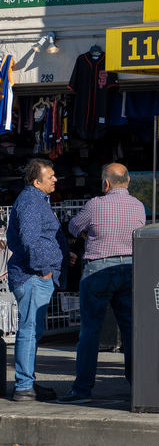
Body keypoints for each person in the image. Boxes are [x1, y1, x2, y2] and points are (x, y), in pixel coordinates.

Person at [60, 163, 146, 404]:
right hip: (130, 268)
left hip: (98, 268)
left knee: (90, 332)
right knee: (131, 332)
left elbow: (74, 227)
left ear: (105, 183)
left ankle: (82, 390)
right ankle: (137, 387)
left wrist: (91, 233)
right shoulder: (138, 205)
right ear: (127, 182)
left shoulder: (95, 204)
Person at [7, 158, 67, 402]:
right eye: (50, 176)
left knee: (33, 331)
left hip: (36, 274)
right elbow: (30, 239)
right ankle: (23, 386)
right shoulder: (31, 201)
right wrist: (44, 268)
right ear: (36, 180)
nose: (55, 179)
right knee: (29, 331)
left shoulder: (36, 200)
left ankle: (27, 381)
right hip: (32, 275)